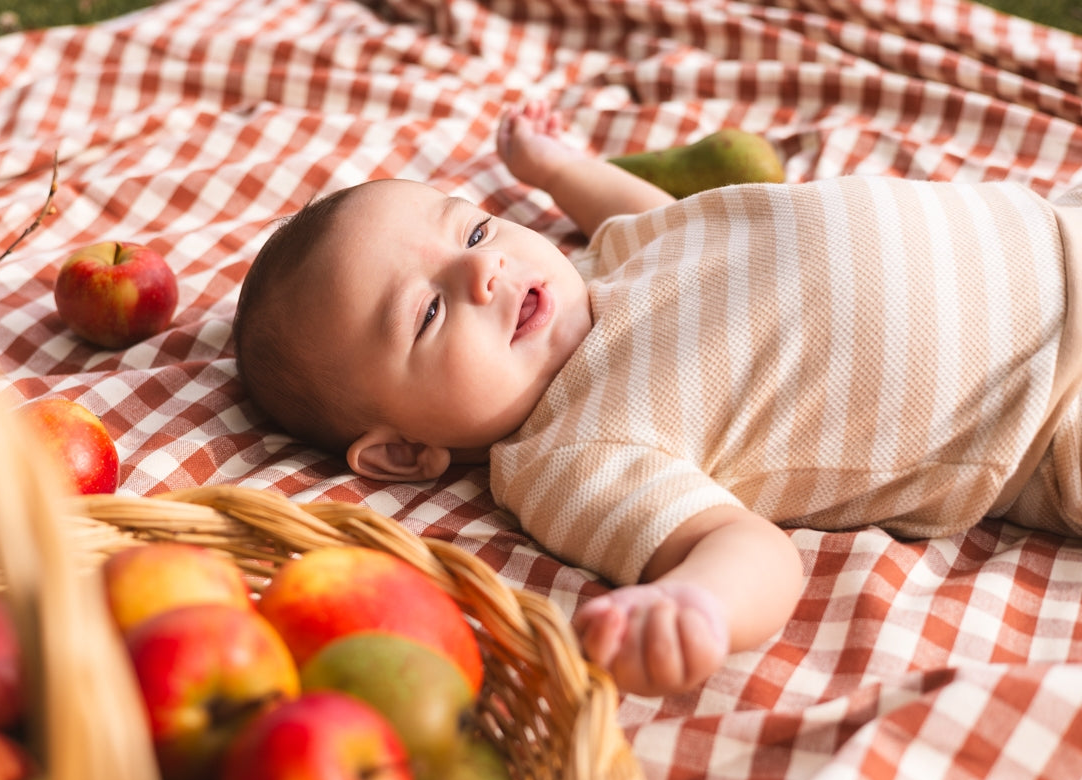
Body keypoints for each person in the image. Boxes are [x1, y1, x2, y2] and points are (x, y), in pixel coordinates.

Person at [233, 101, 1082, 697]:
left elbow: (667, 212)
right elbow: (742, 546)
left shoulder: (599, 266)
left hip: (1052, 230)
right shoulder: (571, 455)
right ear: (399, 452)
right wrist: (696, 604)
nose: (482, 269)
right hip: (1047, 407)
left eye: (476, 230)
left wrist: (563, 169)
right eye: (427, 313)